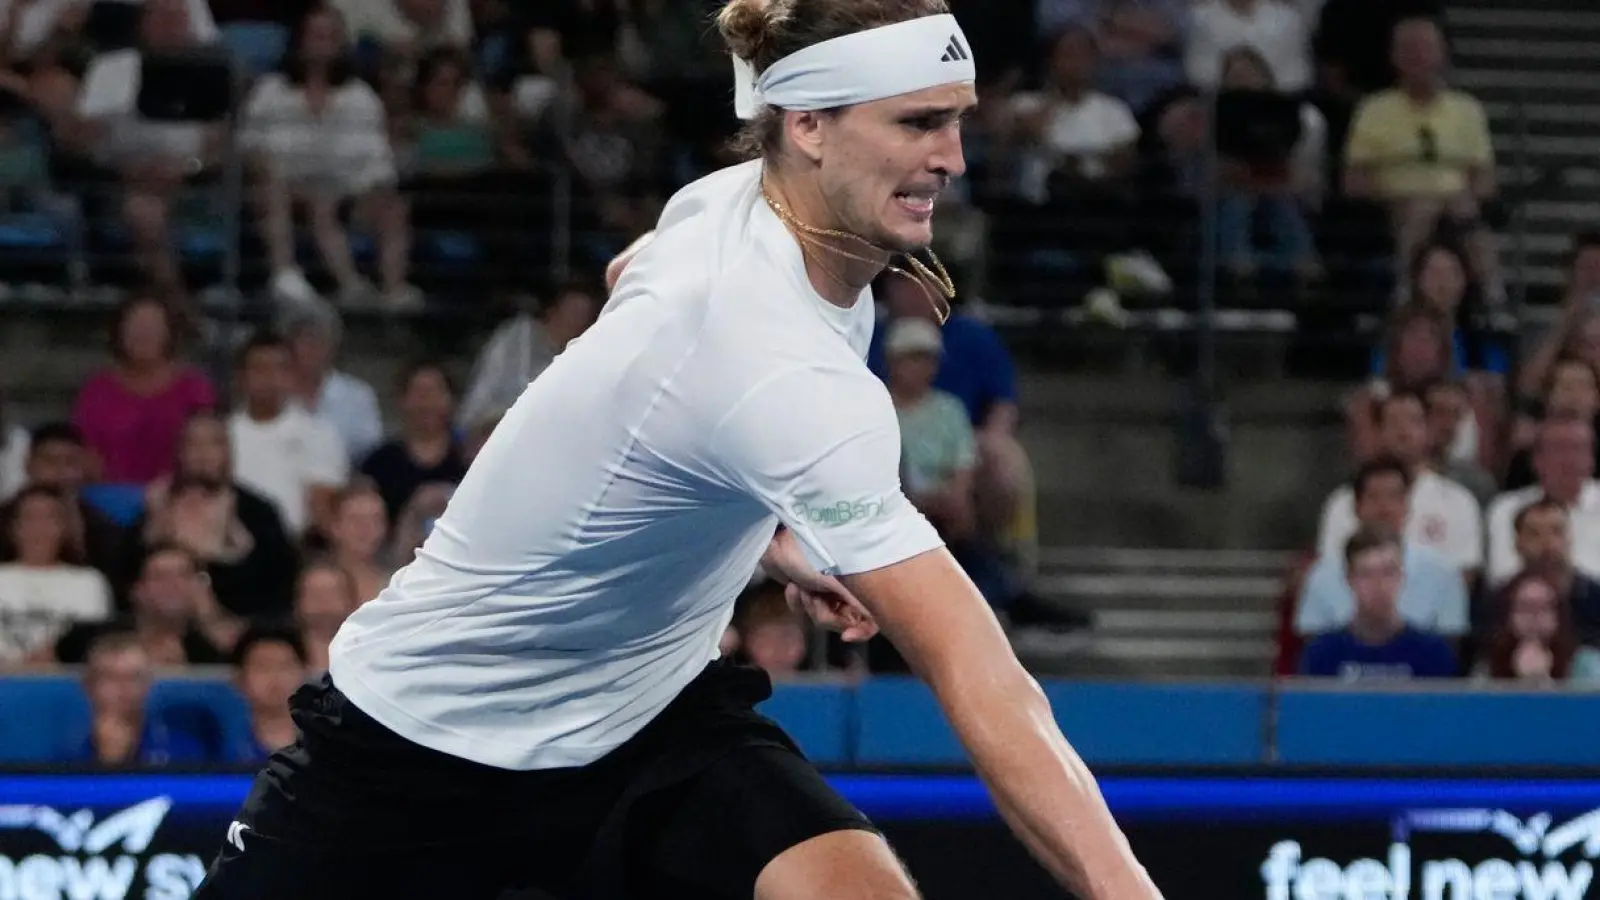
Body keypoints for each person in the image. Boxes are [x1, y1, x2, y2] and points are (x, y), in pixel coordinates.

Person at [193, 2, 1161, 899]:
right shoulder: (782, 371)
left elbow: (643, 346)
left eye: (956, 119)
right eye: (914, 123)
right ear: (805, 125)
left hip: (652, 714)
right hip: (415, 748)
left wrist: (771, 538)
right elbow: (979, 675)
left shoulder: (721, 204)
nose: (951, 157)